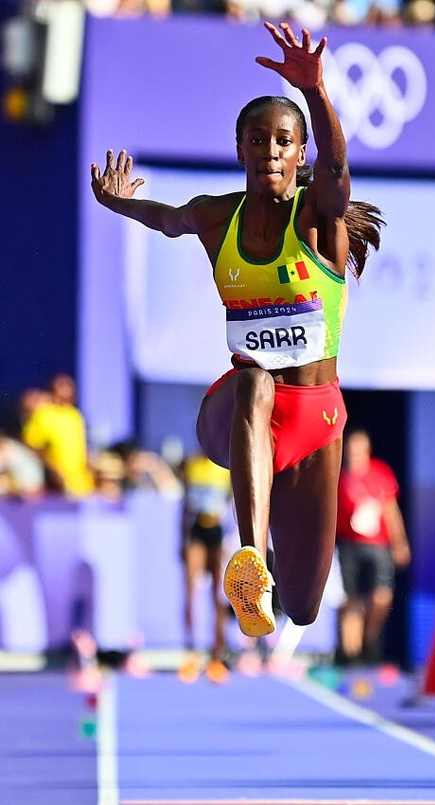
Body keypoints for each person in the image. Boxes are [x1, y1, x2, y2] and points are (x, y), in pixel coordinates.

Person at [91, 21, 384, 640]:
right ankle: (250, 560)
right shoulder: (215, 216)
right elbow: (168, 218)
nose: (270, 151)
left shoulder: (318, 219)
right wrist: (119, 203)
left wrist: (316, 92)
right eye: (257, 140)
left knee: (304, 607)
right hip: (240, 413)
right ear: (240, 151)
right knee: (255, 381)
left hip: (317, 420)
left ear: (299, 154)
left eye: (283, 141)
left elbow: (337, 168)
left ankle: (275, 584)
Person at [335, 428, 411, 665]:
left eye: (358, 450)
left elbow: (391, 511)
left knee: (381, 597)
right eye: (350, 451)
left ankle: (369, 639)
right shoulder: (339, 476)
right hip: (349, 547)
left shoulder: (380, 473)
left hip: (378, 546)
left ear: (367, 451)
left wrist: (400, 542)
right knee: (351, 601)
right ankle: (352, 655)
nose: (354, 455)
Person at [178, 451, 232, 680]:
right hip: (196, 533)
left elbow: (232, 504)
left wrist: (231, 541)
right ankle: (191, 650)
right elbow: (185, 506)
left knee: (218, 594)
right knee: (190, 592)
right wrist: (181, 539)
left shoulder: (226, 467)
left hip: (218, 535)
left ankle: (217, 653)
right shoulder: (190, 466)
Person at [21, 374, 95, 497]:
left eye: (69, 387)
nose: (66, 391)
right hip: (57, 486)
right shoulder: (43, 415)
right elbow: (31, 445)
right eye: (62, 387)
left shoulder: (75, 415)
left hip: (81, 484)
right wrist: (52, 469)